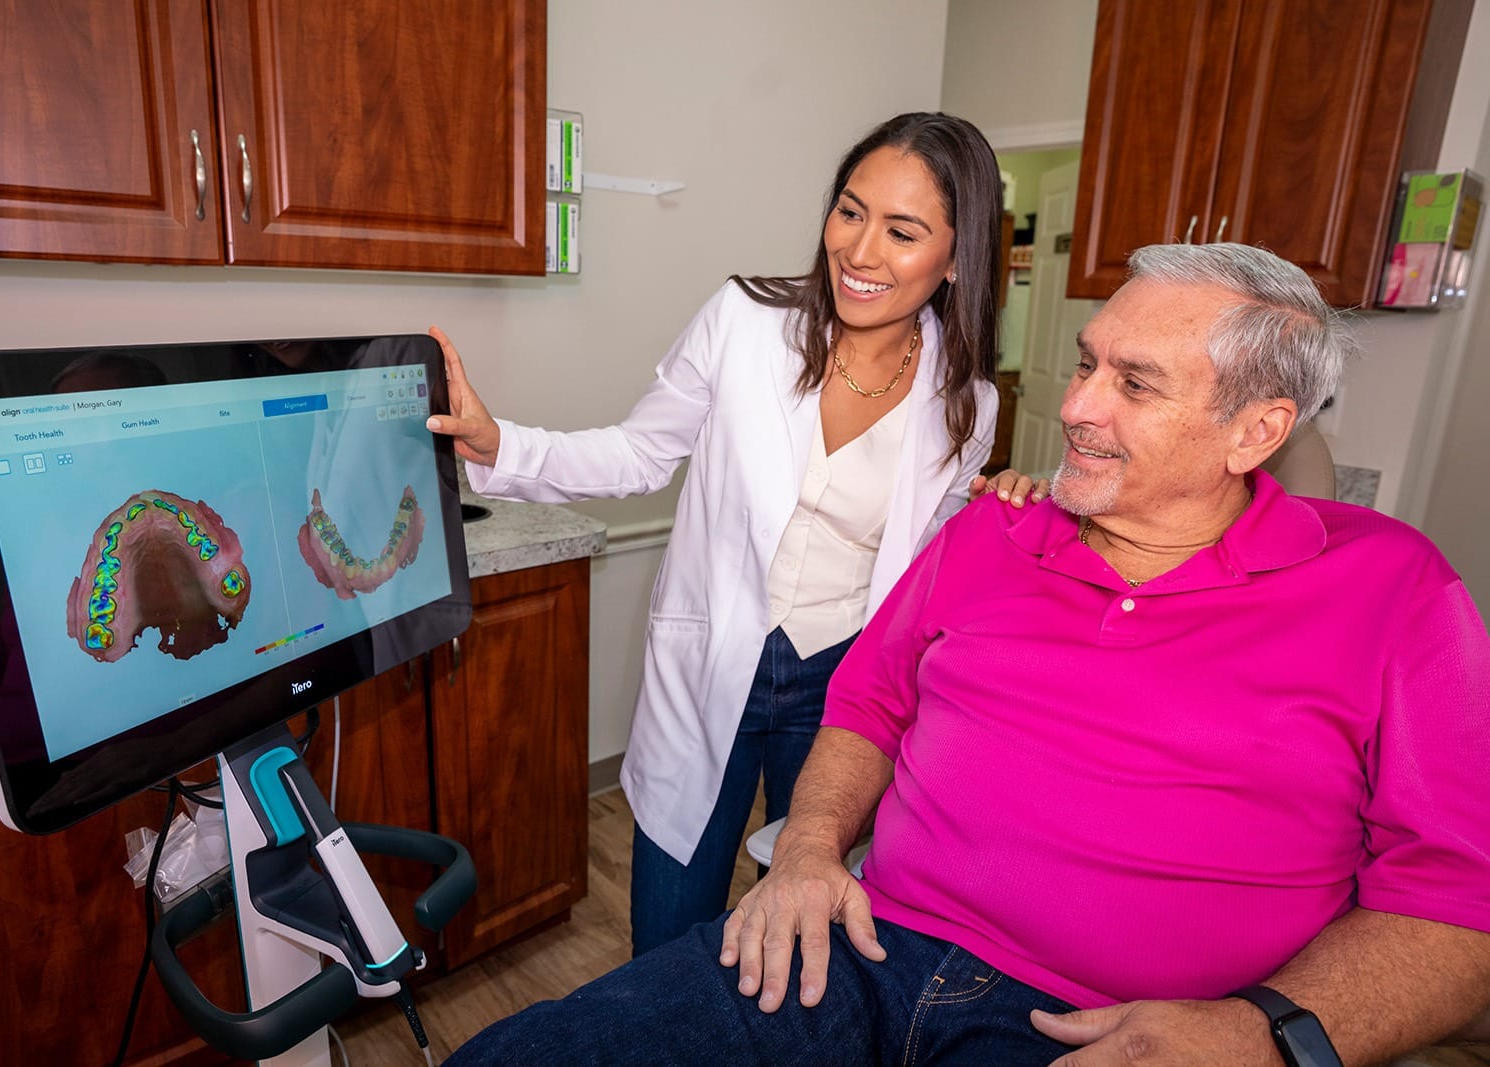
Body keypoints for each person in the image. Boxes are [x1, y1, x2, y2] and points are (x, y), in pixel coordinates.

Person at [446, 243, 1490, 1066]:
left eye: (1134, 382)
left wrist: (1267, 1031)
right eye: (1086, 362)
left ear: (1255, 431)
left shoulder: (1389, 588)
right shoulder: (993, 533)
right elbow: (865, 705)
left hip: (1117, 1027)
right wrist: (807, 846)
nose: (1075, 405)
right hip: (857, 947)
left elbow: (1458, 904)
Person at [426, 112, 1007, 955]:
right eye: (850, 211)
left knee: (799, 932)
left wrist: (1003, 512)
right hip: (715, 667)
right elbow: (637, 452)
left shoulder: (969, 404)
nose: (861, 250)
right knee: (671, 926)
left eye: (903, 231)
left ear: (957, 258)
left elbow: (932, 573)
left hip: (843, 686)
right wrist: (499, 443)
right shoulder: (745, 322)